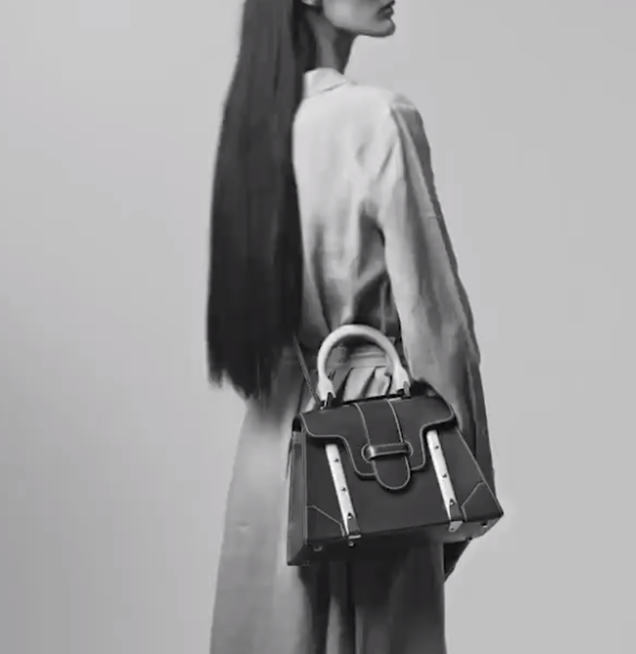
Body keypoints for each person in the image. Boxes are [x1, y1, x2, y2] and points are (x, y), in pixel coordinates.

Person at [206, 1, 496, 652]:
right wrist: (461, 483)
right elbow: (436, 323)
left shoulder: (255, 125)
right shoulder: (377, 119)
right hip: (376, 459)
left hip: (270, 457)